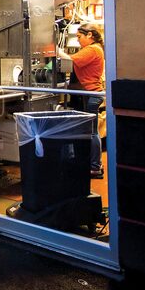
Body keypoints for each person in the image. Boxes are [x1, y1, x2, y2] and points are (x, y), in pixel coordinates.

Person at [59, 23, 105, 178]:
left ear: (90, 35)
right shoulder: (93, 49)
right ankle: (93, 163)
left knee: (91, 132)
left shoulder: (92, 49)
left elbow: (71, 60)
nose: (78, 40)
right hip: (90, 93)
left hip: (91, 94)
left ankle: (94, 167)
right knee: (91, 131)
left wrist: (55, 50)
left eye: (79, 37)